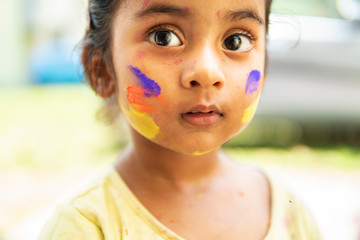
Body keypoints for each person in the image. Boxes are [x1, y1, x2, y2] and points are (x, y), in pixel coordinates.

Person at [39, 0, 322, 239]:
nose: (207, 72)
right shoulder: (87, 226)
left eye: (236, 41)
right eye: (164, 37)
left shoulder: (290, 213)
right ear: (101, 69)